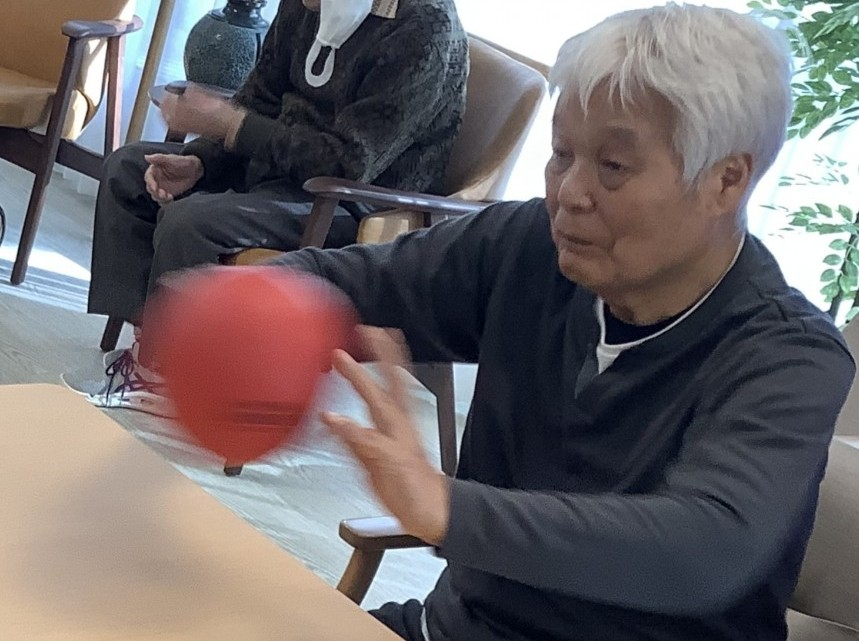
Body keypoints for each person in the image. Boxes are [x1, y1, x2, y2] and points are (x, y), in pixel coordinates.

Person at [267, 4, 855, 640]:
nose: (569, 192)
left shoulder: (789, 357)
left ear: (727, 180)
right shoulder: (531, 247)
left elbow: (705, 549)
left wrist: (448, 508)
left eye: (613, 166)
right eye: (561, 153)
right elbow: (342, 284)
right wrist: (236, 302)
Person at [77, 0, 468, 413]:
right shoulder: (308, 5)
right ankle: (153, 349)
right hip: (277, 169)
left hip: (352, 203)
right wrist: (202, 161)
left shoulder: (423, 28)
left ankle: (166, 374)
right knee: (128, 170)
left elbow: (348, 162)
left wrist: (231, 125)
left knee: (190, 222)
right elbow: (259, 99)